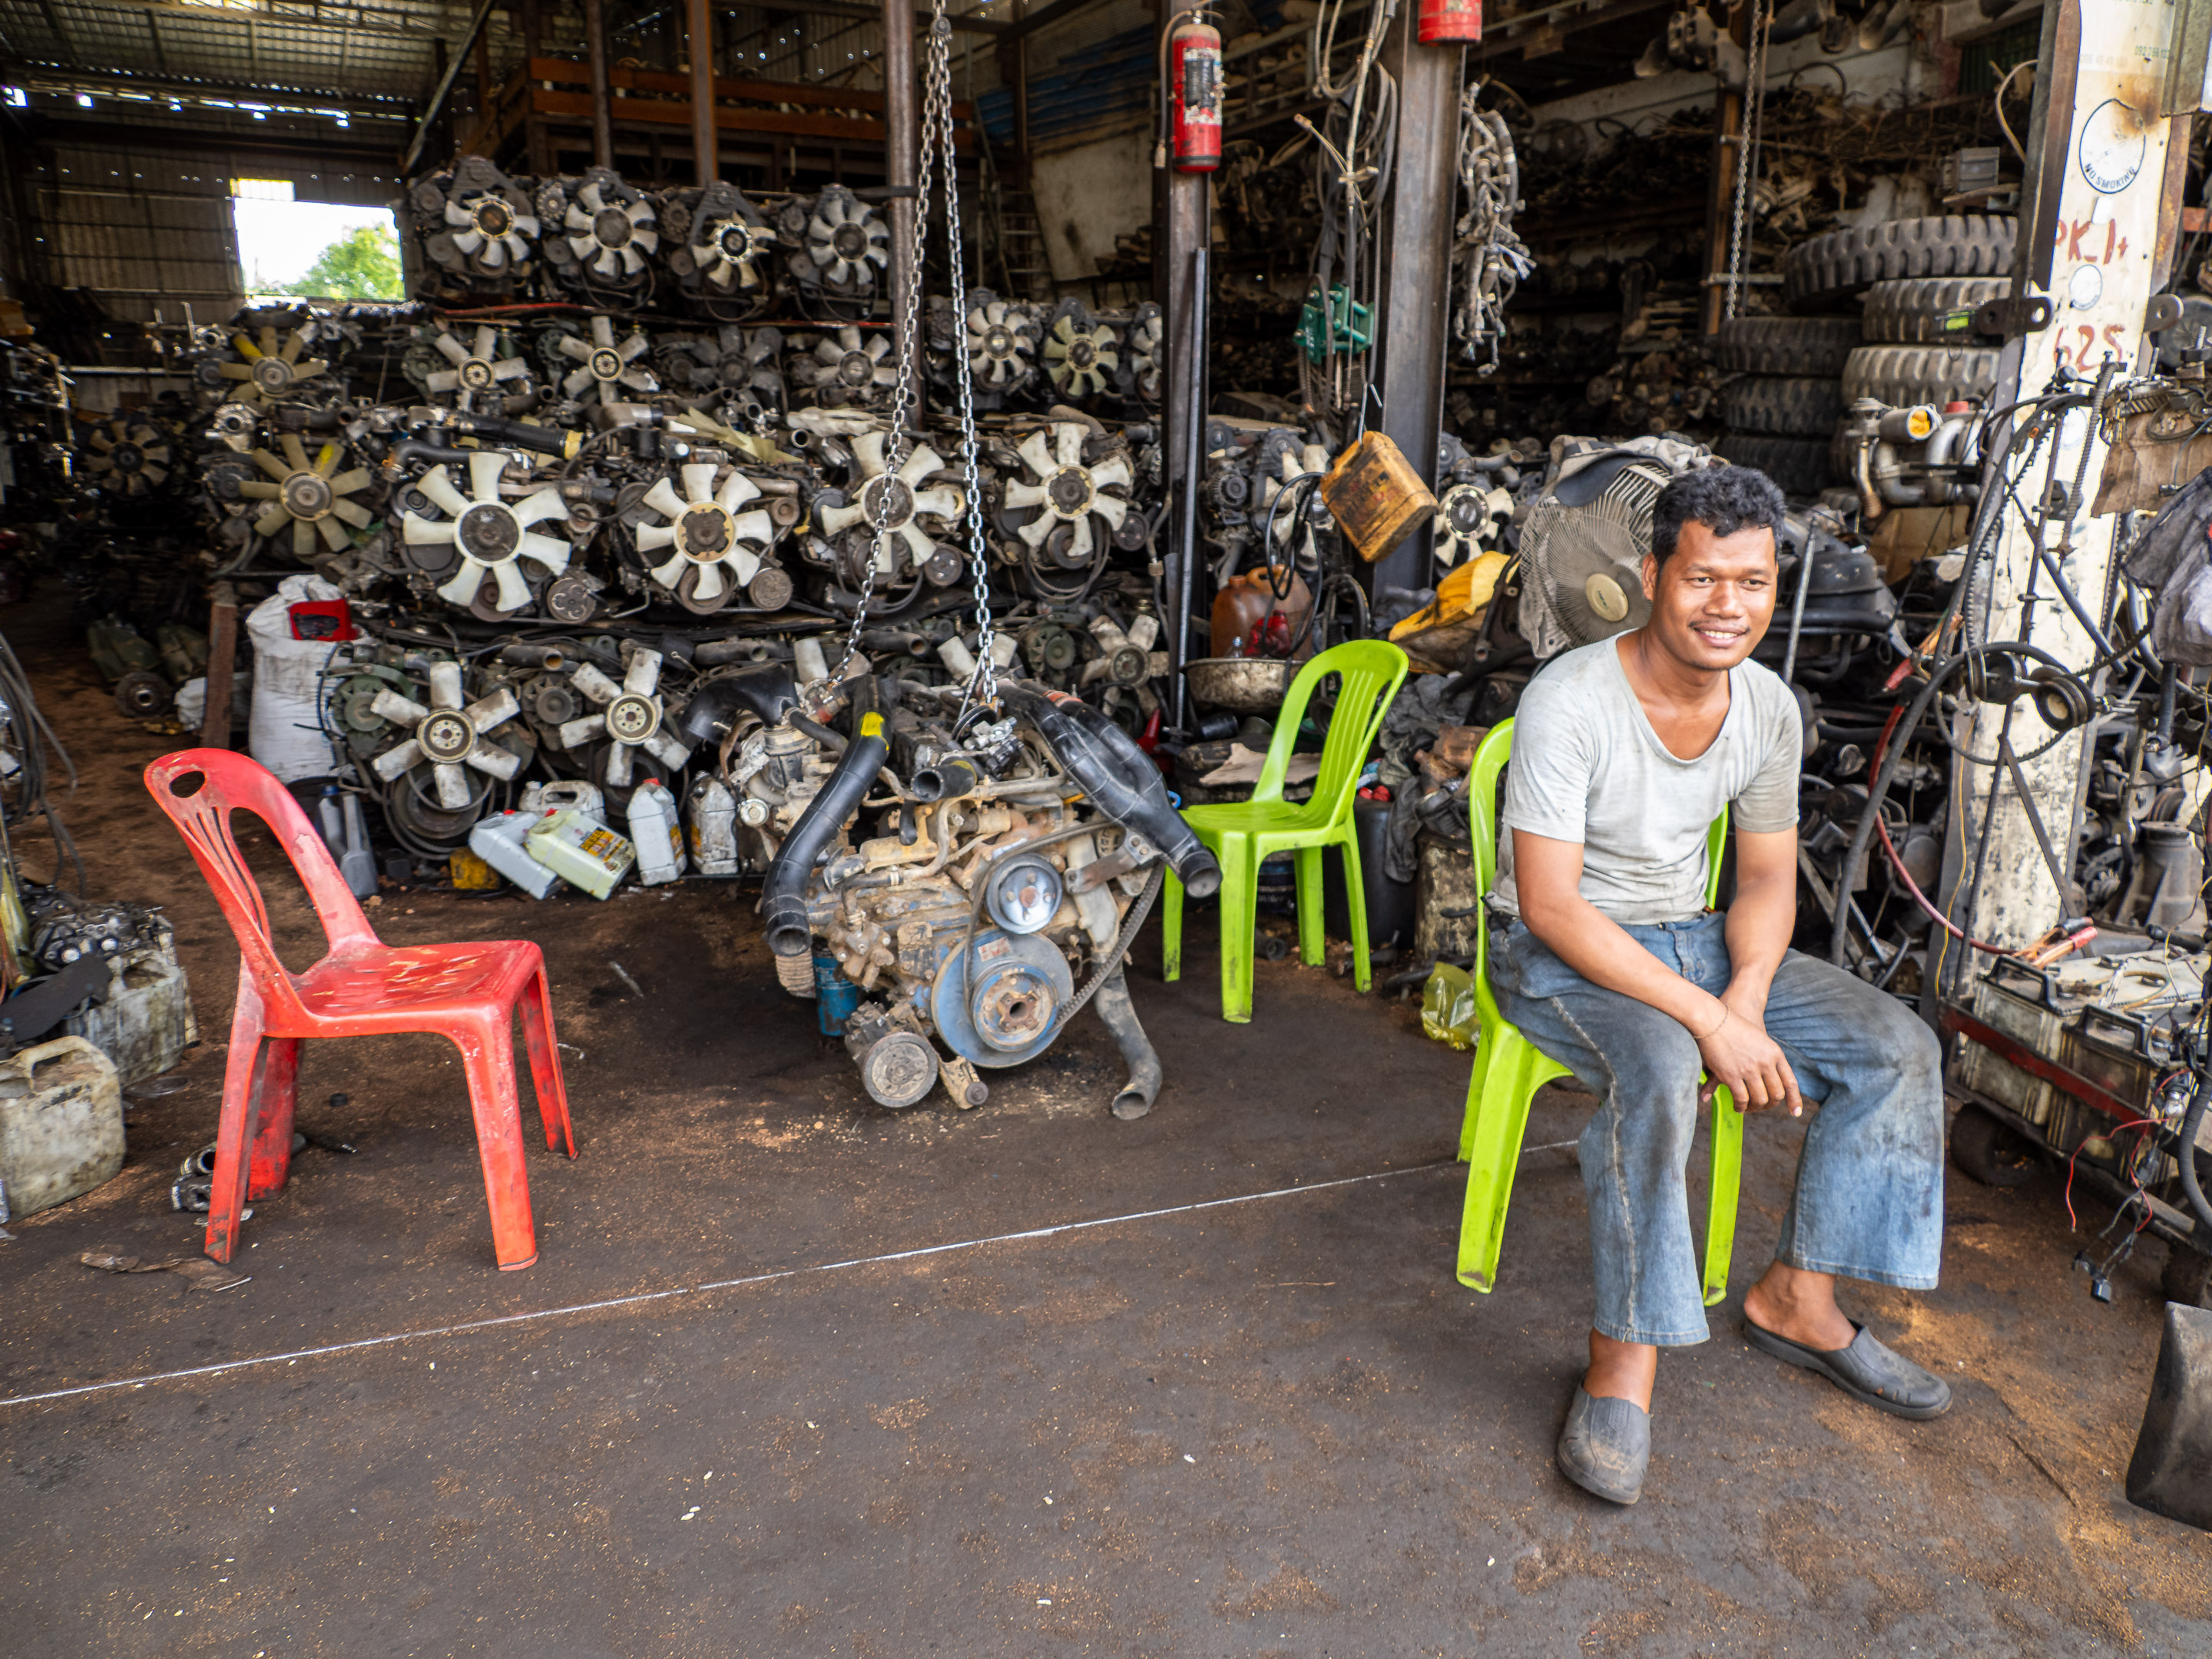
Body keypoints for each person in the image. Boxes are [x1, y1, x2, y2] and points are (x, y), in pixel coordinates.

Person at [1487, 463, 1949, 1506]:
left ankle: (1799, 1299)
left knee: (1897, 1047)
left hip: (1694, 942)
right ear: (1655, 575)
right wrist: (1705, 1021)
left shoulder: (1769, 708)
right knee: (1658, 1067)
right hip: (1560, 953)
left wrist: (1742, 999)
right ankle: (1623, 1359)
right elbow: (1551, 904)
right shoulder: (1570, 698)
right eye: (1702, 579)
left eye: (1751, 583)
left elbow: (1769, 879)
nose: (1726, 606)